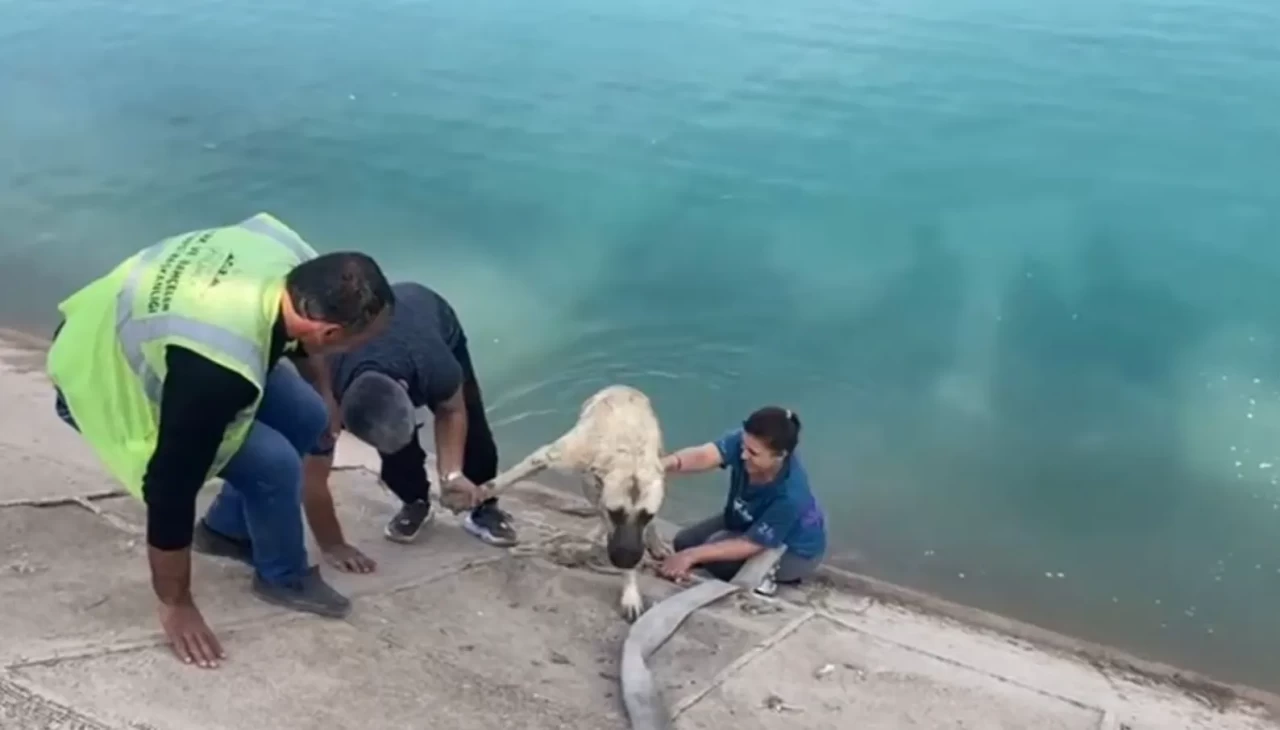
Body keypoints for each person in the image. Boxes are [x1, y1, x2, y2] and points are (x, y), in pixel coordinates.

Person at [47, 213, 395, 670]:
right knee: (274, 464)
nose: (358, 348)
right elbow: (170, 487)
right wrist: (176, 603)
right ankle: (282, 577)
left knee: (307, 415)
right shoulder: (218, 370)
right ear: (328, 333)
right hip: (105, 377)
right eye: (359, 342)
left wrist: (326, 395)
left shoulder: (291, 259)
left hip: (157, 331)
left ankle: (225, 532)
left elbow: (310, 350)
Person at [298, 281, 517, 574]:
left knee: (474, 428)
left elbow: (452, 411)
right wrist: (333, 544)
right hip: (364, 354)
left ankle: (483, 507)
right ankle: (415, 500)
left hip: (430, 317)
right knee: (393, 448)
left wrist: (451, 473)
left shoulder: (436, 365)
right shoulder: (330, 369)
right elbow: (313, 475)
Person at [658, 406, 827, 595]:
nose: (743, 455)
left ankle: (767, 576)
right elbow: (705, 455)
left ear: (780, 455)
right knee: (684, 542)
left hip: (794, 551)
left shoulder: (790, 495)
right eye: (743, 447)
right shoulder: (748, 443)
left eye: (753, 453)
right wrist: (664, 464)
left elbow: (751, 544)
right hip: (747, 516)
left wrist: (691, 556)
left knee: (711, 555)